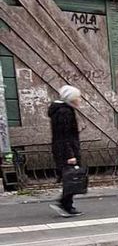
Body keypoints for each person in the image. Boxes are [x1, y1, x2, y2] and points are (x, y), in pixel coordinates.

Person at [48, 85, 82, 217]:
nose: (79, 100)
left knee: (70, 177)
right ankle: (64, 205)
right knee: (72, 177)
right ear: (71, 99)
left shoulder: (62, 110)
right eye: (77, 97)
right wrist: (70, 154)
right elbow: (64, 135)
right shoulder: (64, 112)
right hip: (66, 150)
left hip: (63, 149)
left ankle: (67, 204)